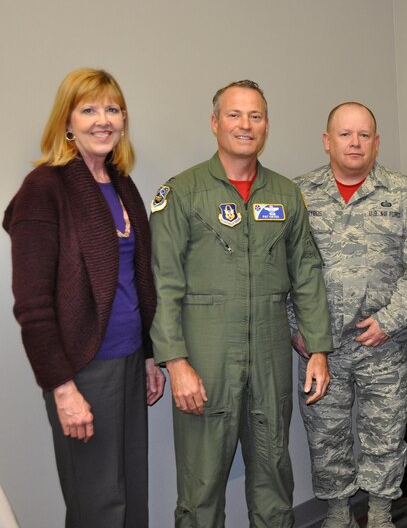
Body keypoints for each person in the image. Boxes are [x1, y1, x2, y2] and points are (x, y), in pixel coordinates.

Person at [149, 80, 333, 527]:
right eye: (234, 115)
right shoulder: (183, 193)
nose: (245, 125)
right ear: (215, 123)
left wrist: (319, 349)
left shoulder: (286, 195)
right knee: (201, 485)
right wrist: (175, 362)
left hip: (269, 357)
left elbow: (307, 274)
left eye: (255, 116)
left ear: (266, 126)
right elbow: (162, 283)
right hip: (205, 362)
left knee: (274, 477)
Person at [4, 68, 165, 528]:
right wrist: (62, 387)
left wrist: (150, 357)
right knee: (98, 506)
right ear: (67, 122)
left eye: (112, 109)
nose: (103, 120)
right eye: (89, 109)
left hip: (131, 361)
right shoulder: (45, 189)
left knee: (133, 498)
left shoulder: (122, 184)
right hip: (83, 371)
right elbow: (32, 305)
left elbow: (136, 283)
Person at [287, 102, 407, 528]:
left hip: (383, 344)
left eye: (364, 135)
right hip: (322, 348)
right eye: (345, 134)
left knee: (385, 436)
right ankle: (337, 513)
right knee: (326, 436)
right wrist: (297, 329)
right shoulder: (299, 194)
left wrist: (389, 321)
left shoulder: (401, 191)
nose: (355, 143)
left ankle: (380, 512)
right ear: (326, 141)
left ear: (376, 142)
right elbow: (282, 269)